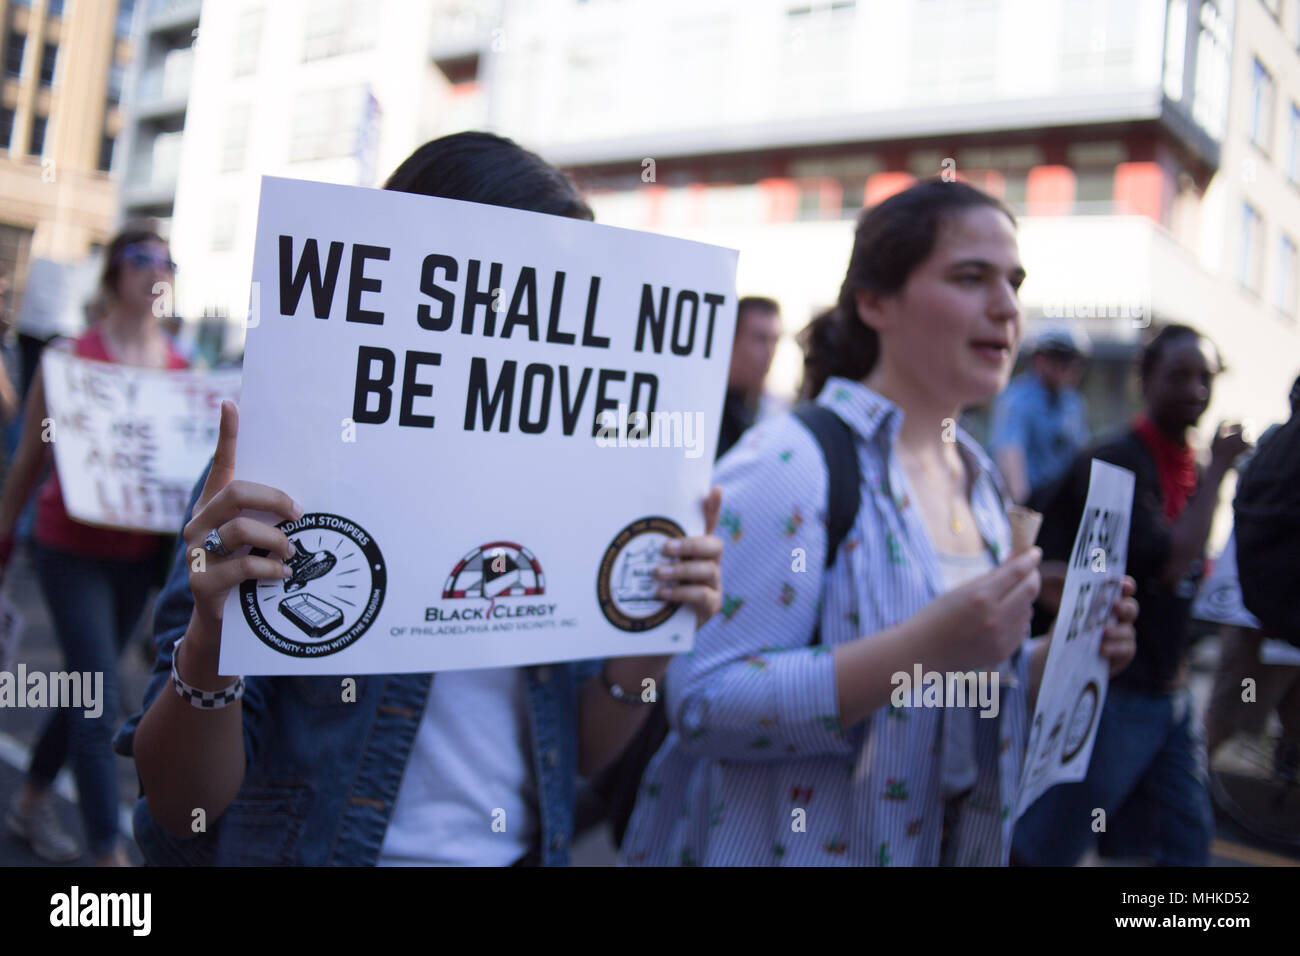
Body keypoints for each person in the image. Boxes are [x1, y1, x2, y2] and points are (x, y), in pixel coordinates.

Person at [116, 131, 725, 866]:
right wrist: (213, 642)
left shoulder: (574, 489)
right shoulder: (272, 479)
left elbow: (583, 753)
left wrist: (656, 630)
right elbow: (182, 812)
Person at [619, 179, 1137, 867]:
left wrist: (1063, 657)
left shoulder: (979, 481)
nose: (1006, 307)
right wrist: (921, 648)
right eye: (969, 277)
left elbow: (962, 687)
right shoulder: (791, 461)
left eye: (1014, 281)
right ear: (874, 301)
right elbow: (701, 702)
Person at [1013, 324, 1250, 866]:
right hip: (1116, 693)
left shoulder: (1186, 465)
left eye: (1205, 378)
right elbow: (1168, 564)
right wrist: (1218, 474)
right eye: (1180, 376)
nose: (1195, 389)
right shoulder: (1120, 459)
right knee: (1044, 846)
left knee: (1181, 846)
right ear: (1146, 380)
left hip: (1169, 692)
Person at [0, 227, 187, 866]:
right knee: (99, 695)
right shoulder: (70, 358)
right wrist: (2, 546)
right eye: (140, 259)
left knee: (87, 681)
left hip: (138, 559)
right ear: (114, 274)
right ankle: (109, 854)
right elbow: (27, 464)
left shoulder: (184, 373)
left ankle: (26, 805)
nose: (154, 270)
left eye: (165, 261)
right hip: (68, 549)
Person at [989, 322, 1090, 506]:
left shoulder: (1073, 403)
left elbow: (1079, 455)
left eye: (1070, 360)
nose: (1064, 367)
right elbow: (1010, 456)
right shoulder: (1017, 400)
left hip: (1062, 508)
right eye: (1056, 358)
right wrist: (1025, 510)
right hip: (1031, 506)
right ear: (1038, 359)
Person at [716, 296, 784, 458]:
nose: (770, 352)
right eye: (760, 339)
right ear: (731, 339)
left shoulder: (765, 413)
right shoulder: (706, 408)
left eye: (775, 341)